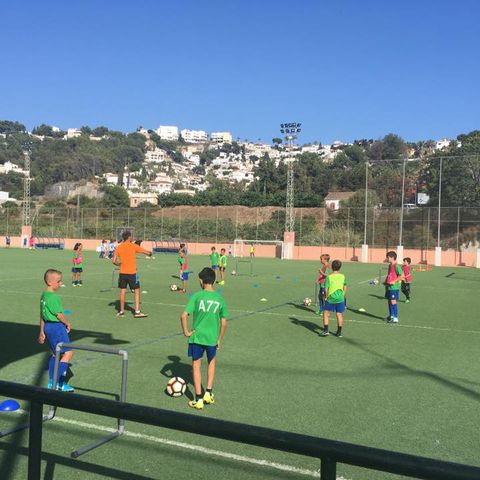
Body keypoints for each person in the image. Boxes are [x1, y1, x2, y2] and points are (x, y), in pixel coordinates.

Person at [180, 267, 228, 410]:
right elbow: (224, 322)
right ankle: (209, 393)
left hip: (197, 337)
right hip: (212, 338)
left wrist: (186, 332)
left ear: (201, 281)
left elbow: (183, 316)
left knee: (196, 365)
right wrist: (219, 338)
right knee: (211, 362)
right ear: (213, 281)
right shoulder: (220, 299)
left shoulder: (196, 296)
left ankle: (198, 399)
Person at [38, 269, 74, 392]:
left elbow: (42, 315)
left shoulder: (44, 295)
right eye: (58, 281)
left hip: (48, 327)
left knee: (56, 354)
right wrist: (67, 322)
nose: (60, 283)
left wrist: (42, 331)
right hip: (56, 327)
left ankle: (51, 383)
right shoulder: (53, 297)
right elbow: (59, 315)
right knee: (68, 353)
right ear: (50, 283)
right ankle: (57, 382)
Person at [112, 230, 152, 318]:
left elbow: (114, 261)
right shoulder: (133, 246)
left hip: (122, 273)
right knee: (136, 291)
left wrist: (119, 264)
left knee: (123, 291)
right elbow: (147, 252)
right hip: (132, 273)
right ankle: (137, 312)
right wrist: (150, 253)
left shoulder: (119, 247)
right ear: (129, 237)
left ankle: (121, 311)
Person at [320, 260, 347, 337]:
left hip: (331, 297)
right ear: (340, 268)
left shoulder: (329, 277)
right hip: (340, 297)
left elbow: (326, 289)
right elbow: (345, 286)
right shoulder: (343, 276)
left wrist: (325, 297)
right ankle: (339, 332)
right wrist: (343, 295)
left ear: (332, 267)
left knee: (325, 312)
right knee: (339, 314)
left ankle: (326, 330)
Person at [384, 251, 404, 323]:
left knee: (393, 301)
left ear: (392, 257)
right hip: (388, 287)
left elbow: (402, 276)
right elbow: (390, 275)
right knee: (389, 301)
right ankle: (391, 316)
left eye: (388, 257)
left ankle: (395, 317)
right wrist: (386, 281)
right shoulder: (390, 265)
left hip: (394, 287)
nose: (387, 259)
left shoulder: (397, 266)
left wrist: (394, 281)